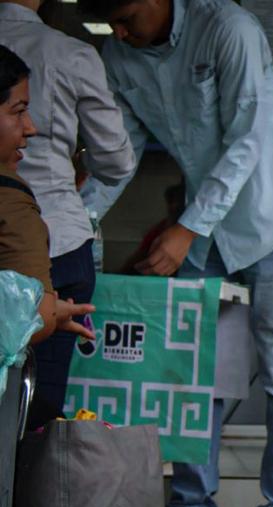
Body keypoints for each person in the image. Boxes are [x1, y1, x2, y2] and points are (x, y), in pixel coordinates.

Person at [80, 0, 273, 507]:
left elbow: (248, 141)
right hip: (205, 226)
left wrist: (186, 229)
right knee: (191, 369)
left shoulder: (229, 30)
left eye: (122, 17)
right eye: (108, 22)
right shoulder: (121, 53)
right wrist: (76, 220)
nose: (116, 32)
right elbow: (124, 150)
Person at [0, 0, 133, 426]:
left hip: (40, 236)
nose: (30, 128)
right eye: (19, 111)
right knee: (36, 408)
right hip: (59, 236)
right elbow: (116, 161)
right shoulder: (69, 53)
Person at [0, 44, 92, 347]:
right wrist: (50, 312)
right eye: (18, 111)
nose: (30, 128)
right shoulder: (10, 199)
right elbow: (30, 318)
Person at [117, 181, 183, 274]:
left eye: (178, 202)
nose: (173, 206)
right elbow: (139, 257)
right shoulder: (160, 229)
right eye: (171, 202)